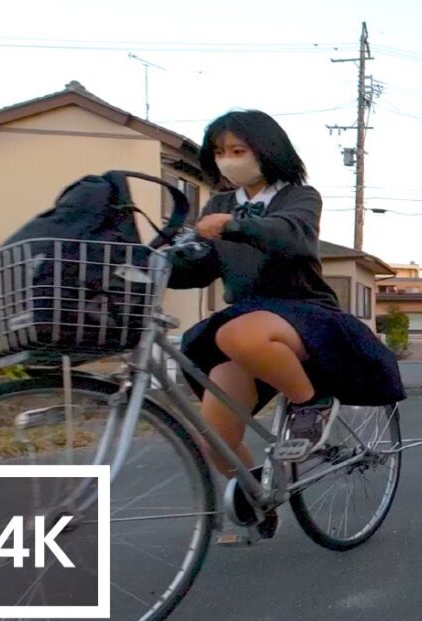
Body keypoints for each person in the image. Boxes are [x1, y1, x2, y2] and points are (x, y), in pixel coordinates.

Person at [167, 110, 405, 533]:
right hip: (247, 320)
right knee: (214, 439)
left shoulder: (299, 196)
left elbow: (292, 236)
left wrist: (233, 227)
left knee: (237, 334)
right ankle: (261, 493)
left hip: (304, 311)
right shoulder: (221, 203)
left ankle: (310, 402)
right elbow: (203, 269)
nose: (227, 160)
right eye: (220, 152)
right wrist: (164, 261)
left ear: (266, 151)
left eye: (238, 150)